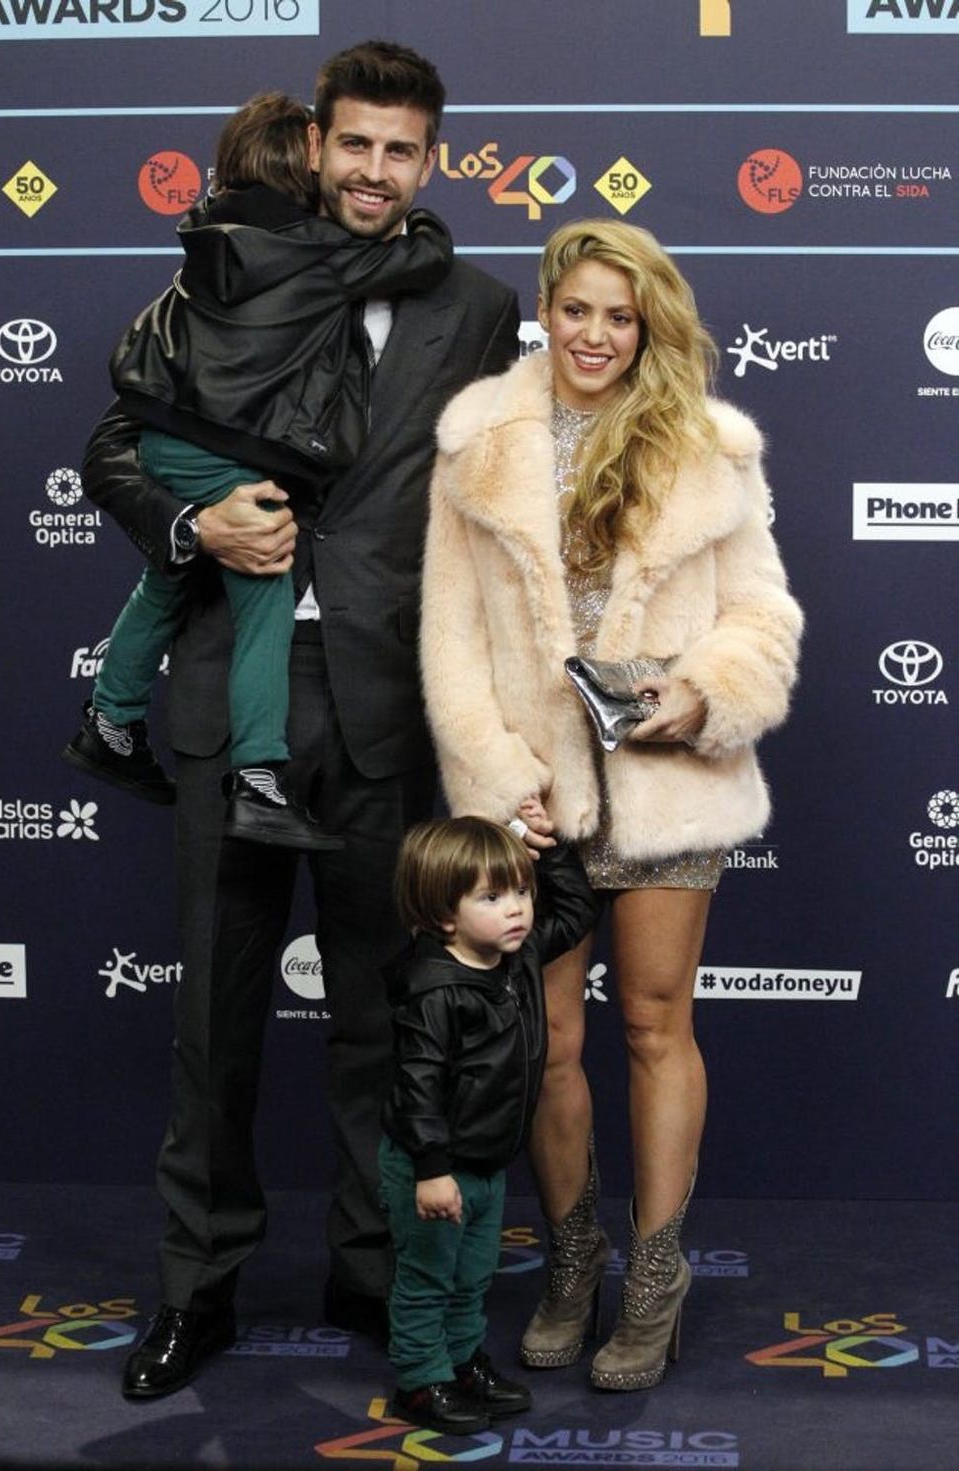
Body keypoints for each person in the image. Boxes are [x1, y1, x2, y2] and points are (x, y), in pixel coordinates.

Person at [80, 40, 520, 1400]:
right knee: (214, 1018)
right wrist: (187, 517)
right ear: (313, 146)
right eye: (355, 146)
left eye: (402, 150)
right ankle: (196, 1288)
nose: (374, 172)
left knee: (386, 1021)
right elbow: (115, 439)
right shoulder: (227, 265)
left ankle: (376, 1269)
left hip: (389, 702)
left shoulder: (478, 304)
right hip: (230, 690)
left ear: (432, 160)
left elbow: (511, 505)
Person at [420, 219, 803, 1391]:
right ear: (549, 309)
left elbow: (761, 615)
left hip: (666, 785)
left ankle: (654, 1274)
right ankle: (571, 1262)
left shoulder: (708, 448)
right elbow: (450, 635)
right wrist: (494, 779)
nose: (593, 334)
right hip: (533, 802)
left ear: (650, 326)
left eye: (618, 315)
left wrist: (701, 697)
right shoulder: (478, 439)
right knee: (546, 1047)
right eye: (575, 309)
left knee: (649, 1027)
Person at [64, 91, 453, 851]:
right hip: (223, 459)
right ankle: (260, 778)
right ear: (312, 156)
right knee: (268, 596)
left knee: (163, 582)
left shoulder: (203, 241)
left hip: (170, 441)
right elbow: (424, 255)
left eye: (398, 153)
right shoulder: (320, 250)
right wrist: (430, 222)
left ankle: (110, 719)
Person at [380, 814, 597, 1435]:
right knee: (426, 1279)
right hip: (434, 1171)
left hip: (486, 1164)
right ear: (443, 914)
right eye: (492, 897)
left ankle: (463, 1363)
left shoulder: (519, 955)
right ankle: (422, 1383)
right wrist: (431, 1171)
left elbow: (577, 910)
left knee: (473, 1277)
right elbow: (416, 1089)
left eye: (523, 892)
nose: (518, 910)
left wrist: (548, 851)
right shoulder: (433, 991)